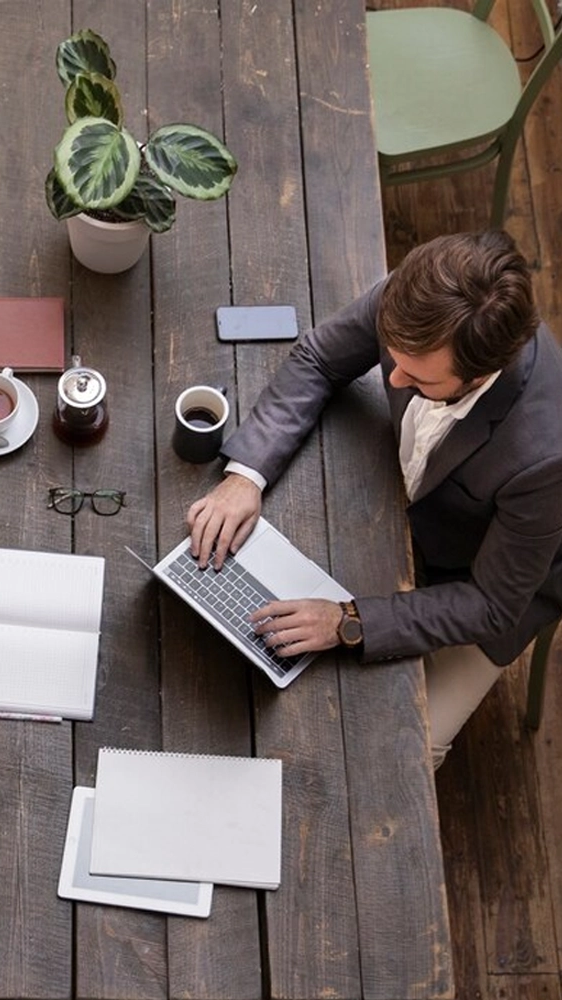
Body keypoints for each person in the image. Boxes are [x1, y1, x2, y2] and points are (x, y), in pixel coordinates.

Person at [187, 231, 562, 764]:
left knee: (404, 752)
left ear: (478, 376)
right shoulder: (423, 299)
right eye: (394, 357)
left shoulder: (545, 457)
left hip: (476, 580)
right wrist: (246, 474)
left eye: (418, 377)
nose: (393, 376)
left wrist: (348, 621)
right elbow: (320, 357)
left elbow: (491, 603)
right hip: (398, 493)